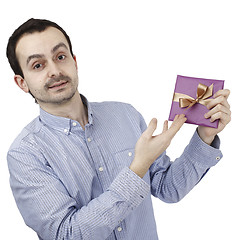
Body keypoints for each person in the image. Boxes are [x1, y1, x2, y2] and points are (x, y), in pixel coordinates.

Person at [6, 18, 231, 240]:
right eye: (38, 65)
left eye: (60, 56)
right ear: (22, 82)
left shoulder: (125, 115)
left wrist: (205, 136)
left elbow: (168, 188)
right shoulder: (25, 155)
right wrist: (138, 168)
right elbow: (68, 234)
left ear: (74, 62)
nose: (54, 70)